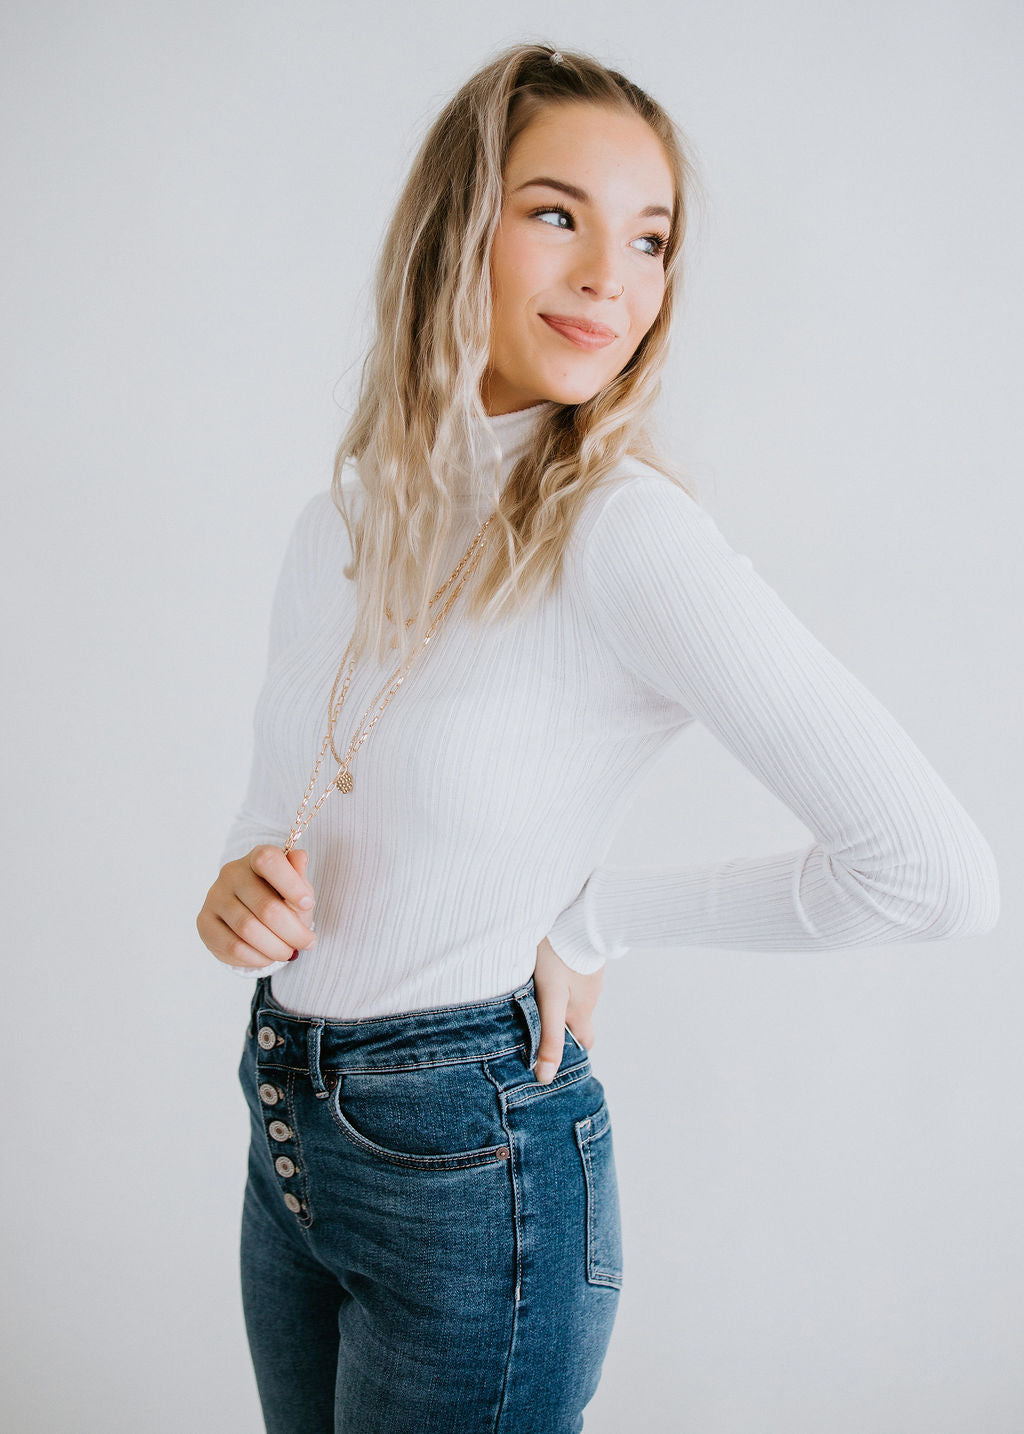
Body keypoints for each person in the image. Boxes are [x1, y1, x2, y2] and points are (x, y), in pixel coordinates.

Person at [195, 41, 1000, 1434]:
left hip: (473, 1170)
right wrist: (238, 886)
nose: (608, 279)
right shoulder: (342, 520)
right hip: (289, 1130)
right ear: (458, 226)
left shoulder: (625, 535)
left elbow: (933, 873)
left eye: (650, 240)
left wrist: (596, 919)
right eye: (558, 214)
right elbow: (282, 808)